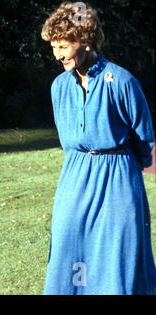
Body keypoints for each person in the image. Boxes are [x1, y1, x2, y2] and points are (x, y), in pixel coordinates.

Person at [41, 2, 156, 294]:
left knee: (117, 251)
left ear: (86, 39)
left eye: (64, 46)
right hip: (76, 176)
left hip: (118, 177)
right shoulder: (59, 87)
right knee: (70, 243)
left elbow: (144, 138)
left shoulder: (121, 81)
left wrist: (129, 166)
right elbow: (68, 138)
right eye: (54, 47)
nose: (58, 55)